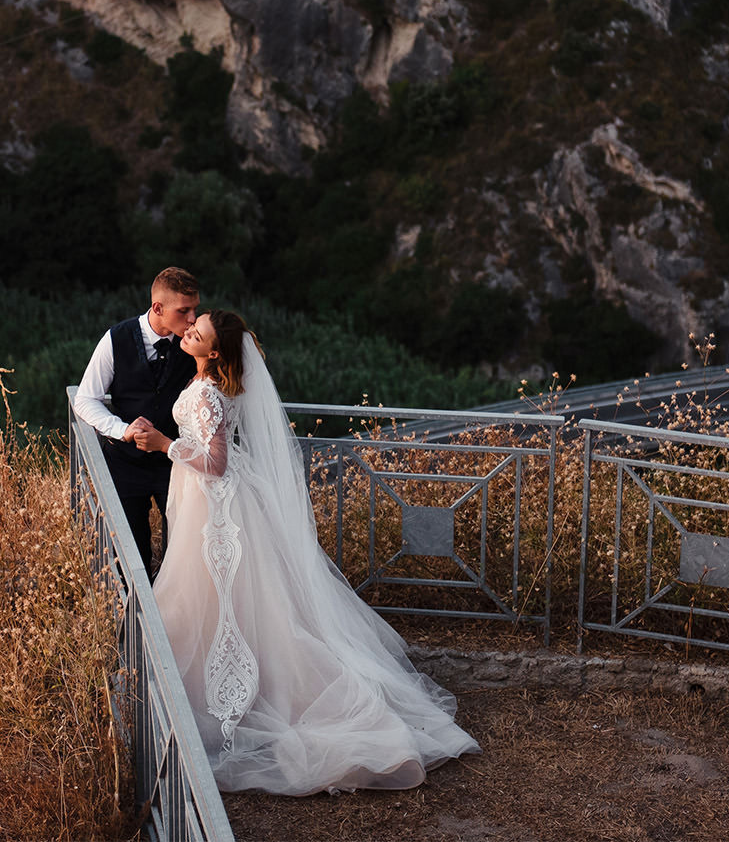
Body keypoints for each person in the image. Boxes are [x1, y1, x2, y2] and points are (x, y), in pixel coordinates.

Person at [128, 309, 479, 794]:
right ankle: (200, 695)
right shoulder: (206, 382)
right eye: (194, 325)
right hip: (207, 503)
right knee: (216, 603)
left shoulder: (207, 390)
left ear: (213, 351)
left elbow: (215, 461)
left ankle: (217, 702)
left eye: (199, 331)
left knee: (214, 600)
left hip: (217, 511)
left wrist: (163, 443)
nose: (188, 331)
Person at [70, 266, 201, 575]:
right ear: (158, 308)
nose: (193, 318)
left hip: (177, 464)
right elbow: (85, 399)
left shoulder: (195, 342)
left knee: (185, 556)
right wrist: (123, 430)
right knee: (130, 559)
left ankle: (175, 621)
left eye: (195, 309)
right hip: (126, 465)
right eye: (184, 310)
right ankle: (132, 623)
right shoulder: (116, 339)